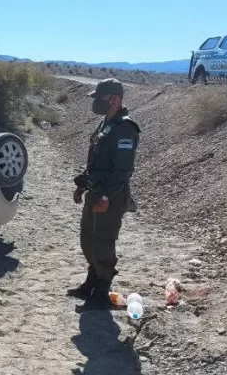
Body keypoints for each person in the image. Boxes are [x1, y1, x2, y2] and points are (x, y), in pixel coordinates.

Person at [68, 78, 140, 311]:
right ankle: (91, 282)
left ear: (115, 99)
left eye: (99, 98)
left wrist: (106, 197)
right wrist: (84, 185)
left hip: (111, 196)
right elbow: (97, 162)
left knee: (103, 243)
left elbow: (123, 171)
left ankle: (102, 291)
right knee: (88, 240)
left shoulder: (125, 128)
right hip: (96, 193)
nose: (95, 103)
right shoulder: (106, 124)